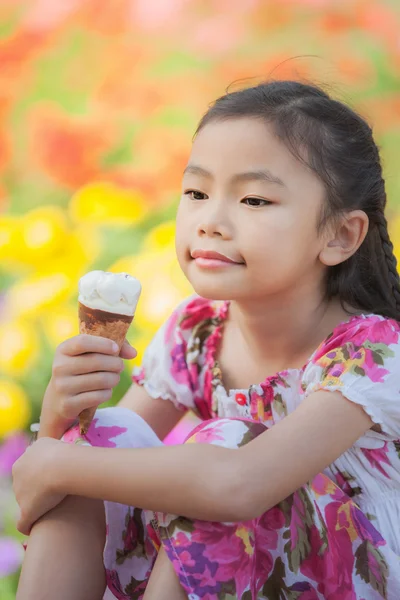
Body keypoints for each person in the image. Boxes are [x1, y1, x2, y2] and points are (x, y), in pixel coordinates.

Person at [12, 80, 400, 600]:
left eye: (254, 199)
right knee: (105, 429)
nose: (211, 222)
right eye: (196, 192)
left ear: (339, 235)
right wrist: (63, 418)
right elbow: (99, 457)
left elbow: (238, 485)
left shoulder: (372, 353)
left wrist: (53, 460)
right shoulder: (197, 331)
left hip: (344, 584)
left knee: (225, 447)